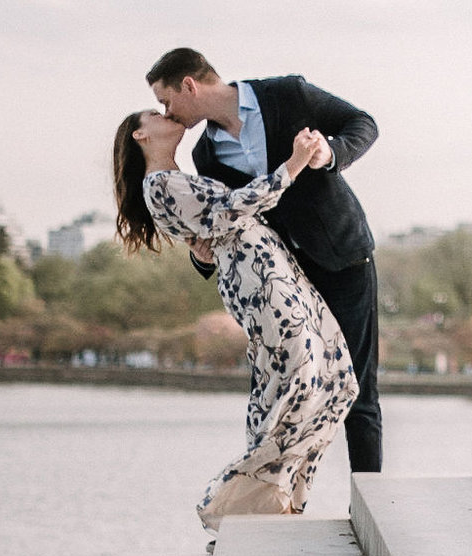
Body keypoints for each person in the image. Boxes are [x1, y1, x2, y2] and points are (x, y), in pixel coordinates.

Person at [114, 110, 355, 533]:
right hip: (261, 282)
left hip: (277, 269)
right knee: (297, 379)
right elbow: (233, 206)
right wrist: (295, 162)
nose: (165, 112)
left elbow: (217, 222)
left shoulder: (177, 178)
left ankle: (281, 497)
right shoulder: (159, 183)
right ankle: (245, 497)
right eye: (154, 112)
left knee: (336, 380)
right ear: (140, 134)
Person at [146, 48, 386, 473]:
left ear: (189, 85)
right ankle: (270, 493)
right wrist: (201, 259)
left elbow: (363, 124)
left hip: (343, 257)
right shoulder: (206, 156)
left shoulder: (288, 95)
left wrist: (329, 154)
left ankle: (371, 503)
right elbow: (227, 218)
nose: (167, 112)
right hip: (283, 283)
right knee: (278, 388)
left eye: (167, 101)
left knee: (360, 392)